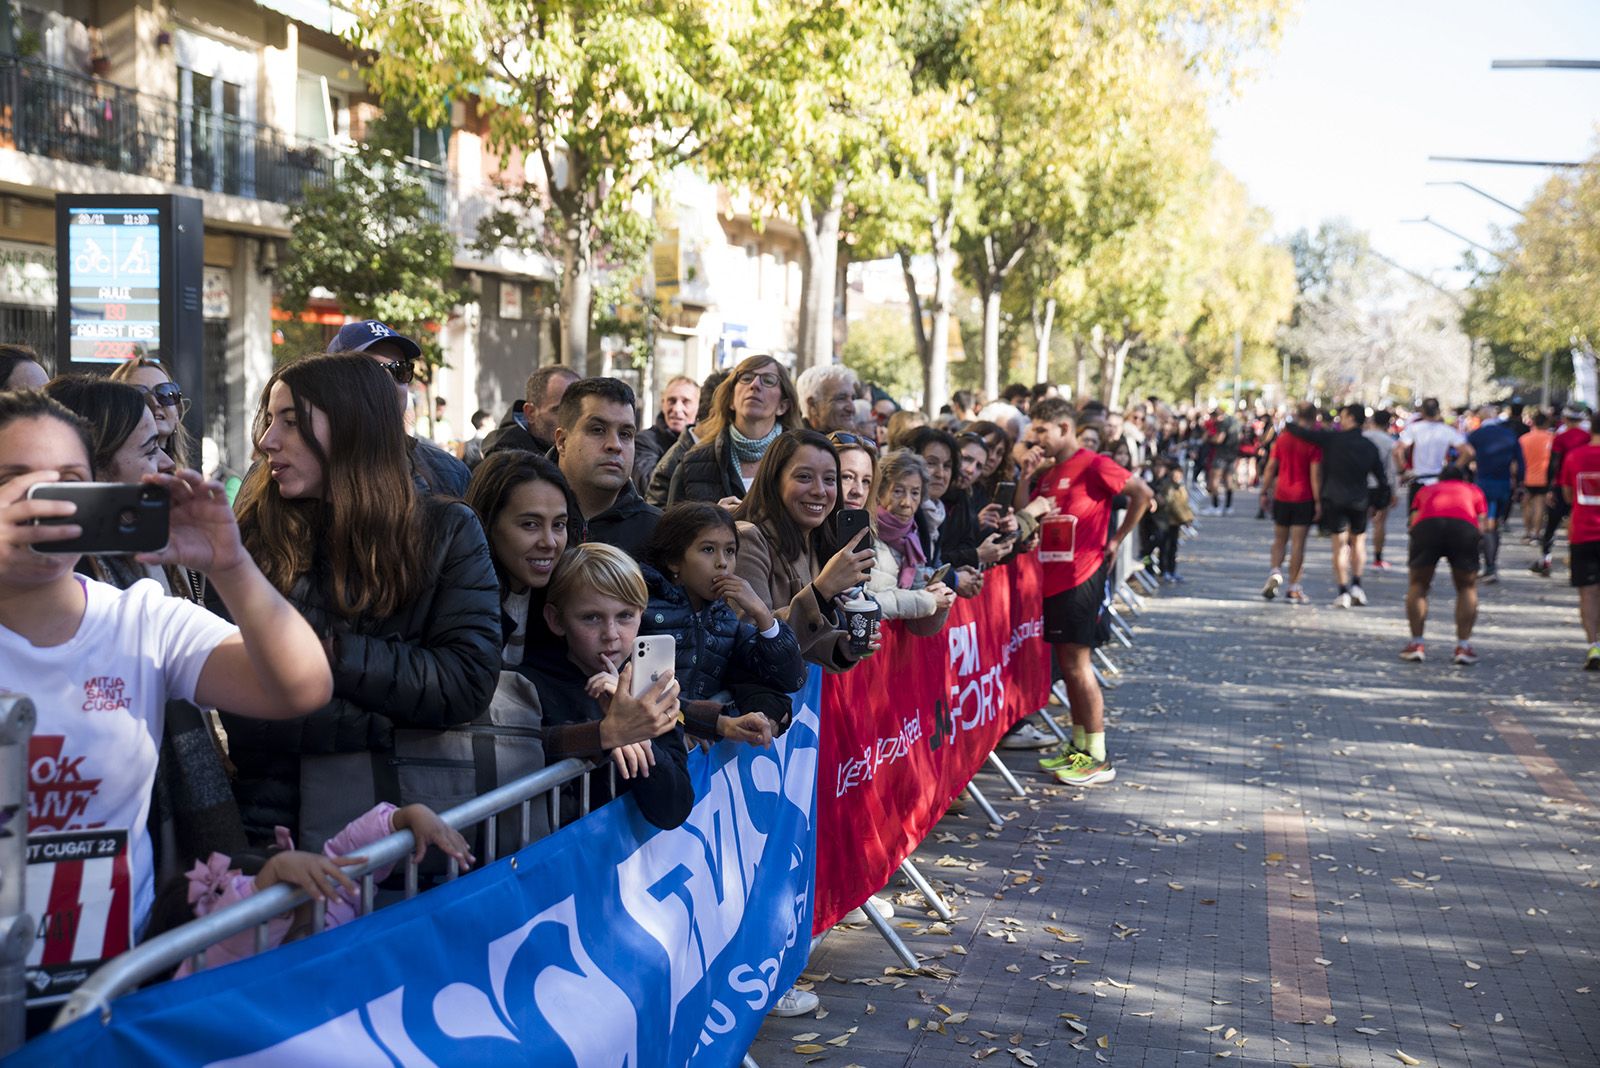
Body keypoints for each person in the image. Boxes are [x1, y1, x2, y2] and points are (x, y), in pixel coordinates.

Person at [0, 389, 333, 947]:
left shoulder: (142, 620)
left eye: (69, 478)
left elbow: (301, 686)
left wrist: (230, 563)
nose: (46, 497)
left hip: (106, 994)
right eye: (14, 476)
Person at [221, 354, 502, 849]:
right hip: (274, 838)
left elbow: (465, 682)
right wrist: (388, 722)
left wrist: (332, 658)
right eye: (270, 419)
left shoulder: (448, 530)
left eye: (291, 421)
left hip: (405, 841)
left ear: (354, 425)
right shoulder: (254, 533)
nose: (267, 440)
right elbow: (241, 701)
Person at [157, 802, 471, 978]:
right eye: (282, 917)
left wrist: (405, 817)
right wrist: (269, 879)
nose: (312, 914)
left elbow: (349, 857)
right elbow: (230, 945)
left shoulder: (331, 901)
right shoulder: (229, 968)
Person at [1024, 398, 1153, 785]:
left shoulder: (1095, 463)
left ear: (1065, 428)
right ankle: (1080, 747)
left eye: (1042, 431)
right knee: (1068, 665)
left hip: (1082, 578)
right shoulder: (1047, 472)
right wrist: (1025, 474)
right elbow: (1024, 513)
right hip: (1052, 580)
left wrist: (1116, 540)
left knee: (1079, 666)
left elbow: (1142, 493)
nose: (1036, 438)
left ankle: (1097, 756)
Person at [525, 542, 692, 829]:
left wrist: (635, 730)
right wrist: (601, 735)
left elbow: (673, 808)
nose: (611, 634)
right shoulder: (529, 683)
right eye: (591, 618)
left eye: (625, 616)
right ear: (556, 619)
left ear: (642, 614)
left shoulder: (648, 688)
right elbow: (524, 752)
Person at [639, 502, 808, 743]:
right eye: (708, 550)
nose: (722, 563)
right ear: (674, 560)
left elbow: (792, 679)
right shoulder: (644, 611)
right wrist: (699, 724)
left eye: (730, 551)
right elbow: (644, 694)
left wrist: (763, 614)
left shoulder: (725, 619)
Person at [732, 429, 878, 670]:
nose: (820, 490)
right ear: (774, 479)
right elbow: (754, 643)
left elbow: (798, 638)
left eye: (830, 479)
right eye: (804, 477)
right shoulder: (746, 539)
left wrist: (841, 647)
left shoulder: (811, 539)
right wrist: (822, 590)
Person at [325, 320, 471, 497]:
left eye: (400, 370)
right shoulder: (305, 469)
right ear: (334, 383)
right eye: (372, 371)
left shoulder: (450, 473)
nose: (389, 383)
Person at [466, 450, 576, 667]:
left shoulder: (568, 597)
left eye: (558, 525)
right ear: (488, 523)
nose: (550, 542)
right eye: (530, 524)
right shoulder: (456, 602)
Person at [1283, 403, 1385, 607]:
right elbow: (1381, 478)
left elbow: (1304, 434)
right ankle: (1357, 584)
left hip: (1335, 498)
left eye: (1343, 416)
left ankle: (1343, 590)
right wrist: (1378, 503)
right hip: (1359, 500)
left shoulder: (1332, 439)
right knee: (1359, 543)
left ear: (1349, 417)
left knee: (1339, 546)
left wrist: (1288, 423)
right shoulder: (1369, 446)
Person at [667, 354, 801, 507]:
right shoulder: (691, 464)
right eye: (746, 378)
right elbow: (673, 529)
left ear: (782, 406)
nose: (755, 385)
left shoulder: (801, 460)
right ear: (731, 400)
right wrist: (715, 521)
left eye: (768, 380)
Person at [552, 377, 661, 558]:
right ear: (562, 441)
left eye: (625, 434)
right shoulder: (522, 511)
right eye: (597, 430)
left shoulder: (659, 533)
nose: (615, 445)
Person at [907, 426, 1009, 598]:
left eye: (978, 466)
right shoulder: (909, 506)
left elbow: (939, 559)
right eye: (966, 459)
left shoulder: (961, 499)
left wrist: (960, 570)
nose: (970, 470)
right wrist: (956, 574)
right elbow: (917, 569)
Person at [1400, 465, 1486, 666]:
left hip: (1428, 527)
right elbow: (1483, 526)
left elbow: (1413, 521)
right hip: (1464, 528)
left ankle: (1416, 644)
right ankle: (1463, 646)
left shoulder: (1426, 490)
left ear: (1440, 478)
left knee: (1418, 585)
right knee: (1467, 586)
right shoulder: (1473, 490)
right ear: (1464, 479)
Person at [866, 449, 957, 622]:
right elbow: (866, 604)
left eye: (915, 493)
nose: (907, 503)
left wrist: (937, 601)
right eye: (898, 491)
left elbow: (919, 628)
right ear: (879, 492)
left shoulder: (912, 538)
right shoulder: (866, 533)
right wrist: (926, 600)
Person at [1259, 404, 1323, 605]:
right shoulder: (1312, 442)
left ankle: (1275, 571)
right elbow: (1315, 474)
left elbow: (1270, 467)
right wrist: (1319, 500)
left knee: (1279, 539)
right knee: (1298, 544)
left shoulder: (1283, 439)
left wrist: (1264, 491)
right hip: (1303, 496)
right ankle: (1294, 587)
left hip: (1282, 494)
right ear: (1314, 417)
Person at [1556, 420, 1600, 668]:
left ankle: (1594, 645)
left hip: (1583, 532)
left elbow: (1567, 494)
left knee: (1588, 592)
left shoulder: (1575, 456)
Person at [1533, 405, 1594, 576]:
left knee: (1552, 523)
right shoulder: (1587, 437)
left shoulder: (1560, 438)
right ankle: (1576, 561)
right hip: (1582, 485)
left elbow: (1553, 463)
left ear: (1566, 419)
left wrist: (1549, 488)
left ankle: (1546, 559)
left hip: (1561, 485)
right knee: (1578, 523)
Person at [1465, 404, 1523, 582]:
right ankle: (1490, 564)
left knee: (1483, 525)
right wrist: (1520, 484)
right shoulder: (1509, 435)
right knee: (1494, 524)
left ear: (1481, 419)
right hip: (1503, 484)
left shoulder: (1475, 435)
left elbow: (1466, 456)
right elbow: (1520, 462)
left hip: (1482, 483)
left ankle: (1487, 565)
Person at [110, 355, 196, 469]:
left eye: (166, 393)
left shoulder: (186, 481)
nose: (155, 403)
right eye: (140, 396)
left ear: (177, 413)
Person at [484, 364, 581, 458]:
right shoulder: (508, 459)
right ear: (530, 413)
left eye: (578, 412)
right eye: (560, 411)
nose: (573, 421)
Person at [1395, 397, 1473, 510]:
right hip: (1439, 480)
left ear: (1422, 411)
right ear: (1438, 410)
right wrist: (1453, 469)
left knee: (1416, 520)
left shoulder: (1414, 429)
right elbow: (1468, 452)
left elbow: (1397, 450)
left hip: (1418, 479)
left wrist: (1402, 470)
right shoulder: (1447, 430)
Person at [634, 374, 700, 492]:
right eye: (671, 401)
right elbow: (649, 486)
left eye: (686, 402)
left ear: (699, 407)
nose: (677, 409)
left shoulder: (706, 443)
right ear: (663, 404)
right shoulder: (645, 441)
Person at [1364, 409, 1400, 571]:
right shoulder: (1390, 442)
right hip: (1381, 485)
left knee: (1358, 521)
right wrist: (1394, 492)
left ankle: (1351, 552)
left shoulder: (1363, 438)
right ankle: (1378, 558)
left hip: (1362, 484)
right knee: (1380, 523)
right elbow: (1392, 470)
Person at [1519, 409, 1556, 545]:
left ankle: (1528, 532)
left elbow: (1518, 460)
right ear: (1546, 423)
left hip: (1526, 476)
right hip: (1543, 475)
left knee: (1526, 504)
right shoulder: (1551, 438)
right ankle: (1536, 533)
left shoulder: (1524, 439)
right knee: (1539, 505)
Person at [795, 364, 859, 435]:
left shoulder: (851, 441)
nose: (852, 409)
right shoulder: (797, 443)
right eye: (841, 398)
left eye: (853, 398)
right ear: (813, 405)